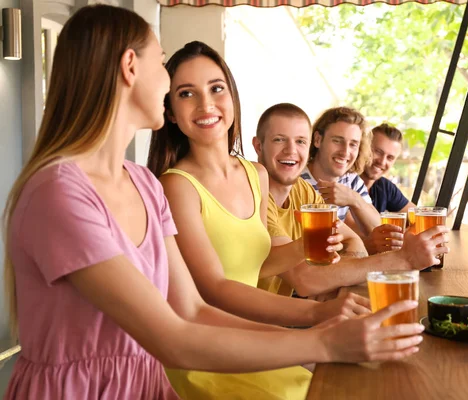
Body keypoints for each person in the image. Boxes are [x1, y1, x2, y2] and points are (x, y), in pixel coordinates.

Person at [2, 6, 424, 399]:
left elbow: (192, 310)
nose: (168, 85)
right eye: (163, 64)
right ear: (131, 67)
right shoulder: (59, 194)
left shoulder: (143, 184)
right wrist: (322, 340)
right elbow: (173, 336)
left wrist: (320, 325)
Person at [146, 41, 382, 399]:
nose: (206, 104)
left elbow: (259, 266)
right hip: (209, 353)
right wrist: (316, 316)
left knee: (357, 382)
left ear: (232, 98)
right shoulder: (177, 187)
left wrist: (303, 247)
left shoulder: (254, 173)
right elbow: (214, 289)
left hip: (253, 339)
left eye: (216, 88)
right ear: (172, 113)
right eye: (186, 93)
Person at [253, 103, 450, 296]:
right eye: (279, 140)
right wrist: (404, 259)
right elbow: (305, 279)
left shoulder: (303, 190)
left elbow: (354, 240)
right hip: (254, 322)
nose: (291, 150)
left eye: (300, 141)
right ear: (258, 146)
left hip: (285, 312)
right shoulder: (253, 194)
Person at [300, 107, 380, 237]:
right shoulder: (296, 179)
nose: (345, 152)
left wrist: (354, 199)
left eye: (353, 144)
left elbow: (378, 230)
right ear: (317, 140)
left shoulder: (351, 180)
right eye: (337, 141)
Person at [360, 123, 417, 254]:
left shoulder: (384, 186)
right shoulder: (346, 182)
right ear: (364, 147)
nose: (382, 161)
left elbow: (417, 216)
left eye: (390, 158)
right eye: (378, 152)